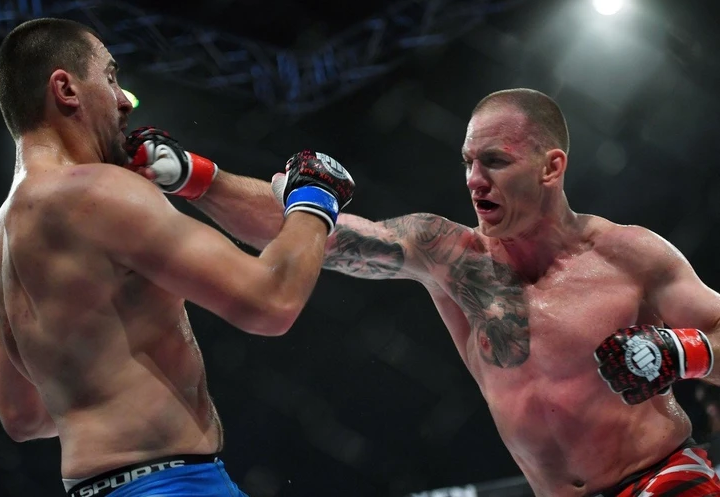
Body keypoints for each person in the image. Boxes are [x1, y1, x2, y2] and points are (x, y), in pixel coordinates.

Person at [130, 88, 720, 496]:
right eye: (467, 162)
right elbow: (315, 235)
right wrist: (194, 176)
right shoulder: (452, 257)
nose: (474, 180)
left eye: (495, 161)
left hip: (664, 479)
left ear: (551, 167)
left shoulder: (628, 255)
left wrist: (685, 351)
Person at [0, 18, 354, 497]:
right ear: (66, 88)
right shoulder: (97, 191)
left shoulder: (1, 239)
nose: (124, 100)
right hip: (172, 484)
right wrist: (315, 199)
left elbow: (24, 416)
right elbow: (271, 303)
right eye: (111, 77)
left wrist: (101, 390)